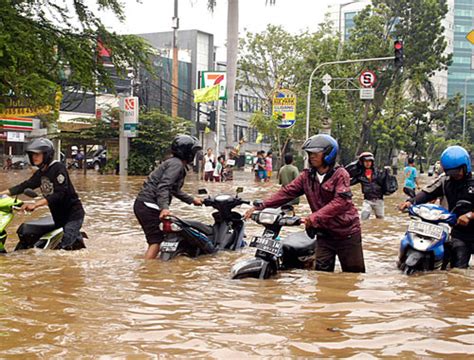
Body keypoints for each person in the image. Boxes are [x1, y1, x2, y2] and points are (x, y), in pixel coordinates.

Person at [245, 134, 365, 273]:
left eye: (315, 153)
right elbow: (286, 192)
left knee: (353, 276)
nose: (311, 156)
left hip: (347, 233)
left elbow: (340, 202)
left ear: (328, 154)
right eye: (309, 153)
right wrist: (259, 206)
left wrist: (313, 218)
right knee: (322, 277)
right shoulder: (307, 176)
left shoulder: (340, 174)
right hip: (324, 234)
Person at [0, 138, 86, 250]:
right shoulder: (41, 173)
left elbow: (60, 194)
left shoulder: (58, 168)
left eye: (37, 154)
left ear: (47, 155)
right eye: (32, 154)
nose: (34, 157)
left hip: (73, 215)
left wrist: (36, 204)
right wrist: (2, 194)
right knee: (26, 234)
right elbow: (25, 186)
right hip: (58, 216)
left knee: (65, 248)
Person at [399, 146, 474, 268]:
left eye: (458, 171)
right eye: (452, 172)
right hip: (459, 232)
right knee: (457, 269)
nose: (456, 175)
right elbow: (427, 193)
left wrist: (470, 215)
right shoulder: (445, 181)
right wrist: (410, 202)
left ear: (466, 166)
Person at [134, 135, 203, 260]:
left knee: (156, 238)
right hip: (149, 205)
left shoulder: (173, 163)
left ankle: (151, 263)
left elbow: (174, 189)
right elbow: (164, 187)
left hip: (144, 204)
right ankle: (147, 270)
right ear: (187, 152)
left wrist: (192, 200)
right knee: (156, 241)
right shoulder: (176, 165)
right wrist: (164, 208)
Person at [349, 152, 387, 220]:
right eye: (365, 161)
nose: (368, 163)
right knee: (364, 217)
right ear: (362, 162)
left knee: (380, 219)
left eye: (369, 161)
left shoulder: (378, 172)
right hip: (367, 200)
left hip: (379, 200)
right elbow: (350, 183)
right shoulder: (360, 175)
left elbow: (386, 184)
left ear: (372, 162)